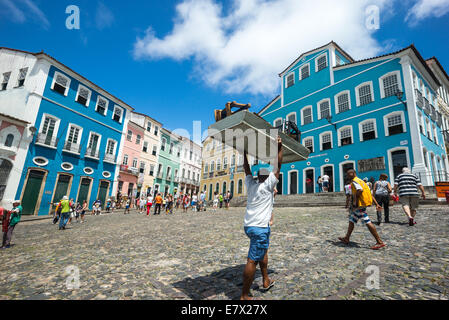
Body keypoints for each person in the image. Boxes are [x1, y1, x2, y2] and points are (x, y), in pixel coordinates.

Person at [240, 136, 282, 300]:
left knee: (263, 251)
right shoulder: (268, 186)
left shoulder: (252, 184)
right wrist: (279, 148)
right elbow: (278, 165)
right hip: (259, 228)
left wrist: (244, 153)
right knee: (252, 261)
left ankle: (265, 280)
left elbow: (246, 168)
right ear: (268, 178)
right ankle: (244, 295)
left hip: (249, 226)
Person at [338, 169, 386, 250]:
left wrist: (355, 202)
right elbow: (369, 193)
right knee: (351, 220)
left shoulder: (354, 181)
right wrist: (376, 204)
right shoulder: (362, 181)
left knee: (367, 221)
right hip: (362, 204)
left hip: (359, 205)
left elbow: (360, 190)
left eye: (349, 173)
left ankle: (379, 241)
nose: (347, 175)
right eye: (347, 174)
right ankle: (347, 238)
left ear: (353, 173)